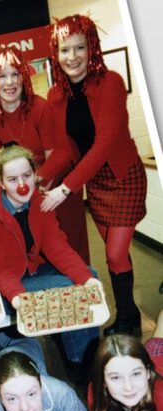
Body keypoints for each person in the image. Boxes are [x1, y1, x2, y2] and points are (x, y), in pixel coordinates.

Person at [46, 14, 148, 337]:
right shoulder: (56, 96)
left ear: (92, 49)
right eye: (65, 50)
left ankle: (128, 320)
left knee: (115, 253)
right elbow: (65, 150)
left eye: (80, 48)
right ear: (56, 54)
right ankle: (130, 313)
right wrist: (40, 178)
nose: (72, 57)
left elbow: (104, 145)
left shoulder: (112, 83)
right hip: (95, 182)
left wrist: (65, 188)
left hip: (123, 175)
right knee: (117, 255)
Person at [0, 144, 101, 376]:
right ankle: (81, 363)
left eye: (27, 176)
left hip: (32, 271)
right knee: (69, 287)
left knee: (90, 276)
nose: (22, 185)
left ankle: (85, 354)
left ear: (34, 174)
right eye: (12, 179)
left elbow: (57, 247)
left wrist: (86, 278)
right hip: (5, 287)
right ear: (0, 183)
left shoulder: (40, 202)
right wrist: (18, 298)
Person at [0, 45, 85, 260]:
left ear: (23, 77)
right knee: (37, 252)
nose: (10, 82)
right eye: (2, 76)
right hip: (24, 189)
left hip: (57, 183)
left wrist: (34, 183)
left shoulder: (39, 106)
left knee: (71, 249)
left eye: (15, 74)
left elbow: (57, 154)